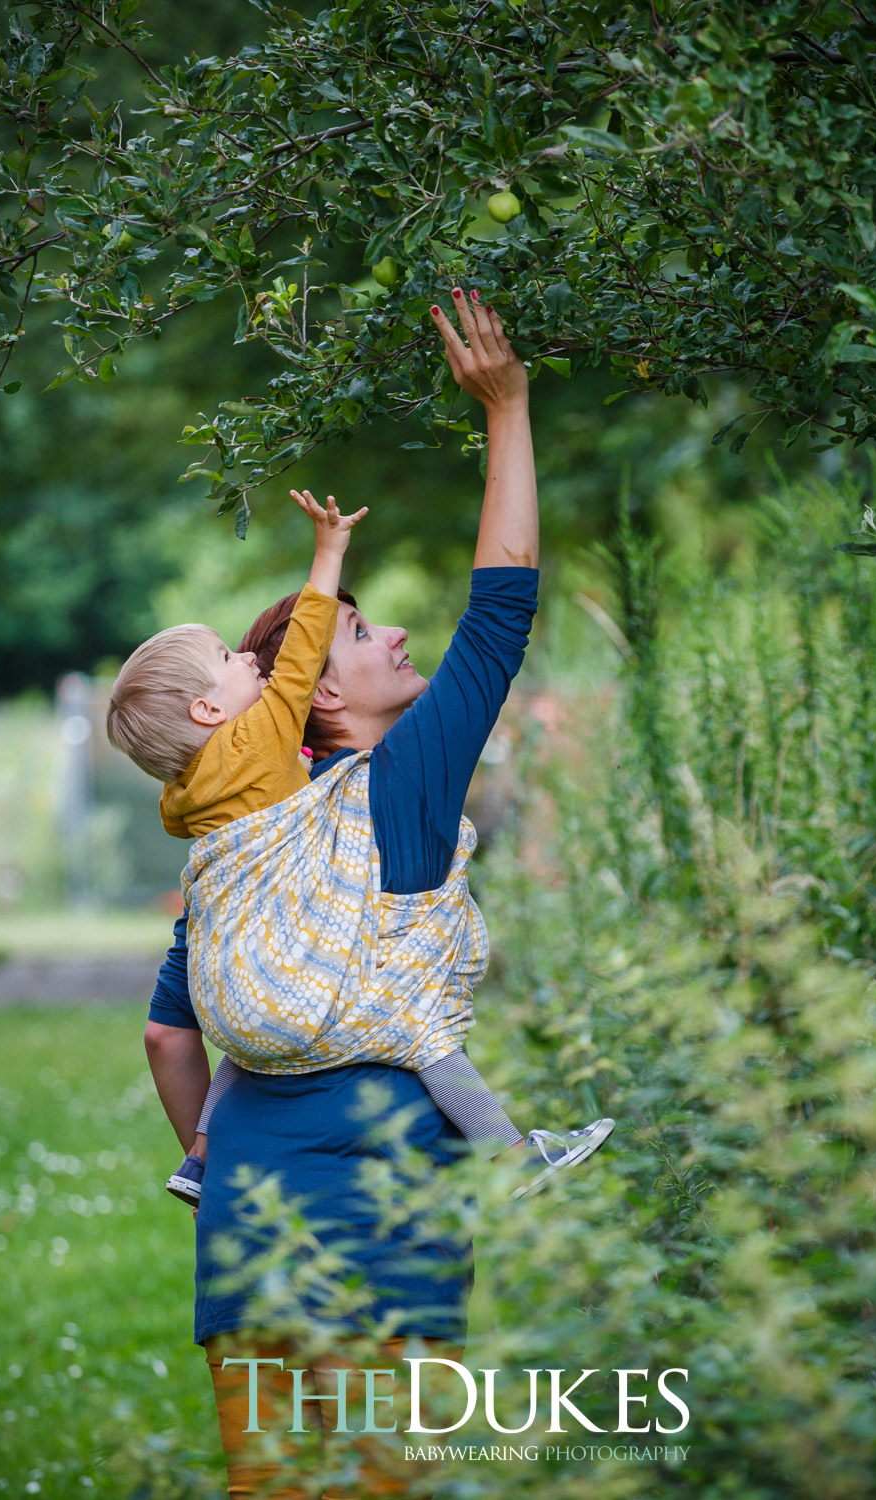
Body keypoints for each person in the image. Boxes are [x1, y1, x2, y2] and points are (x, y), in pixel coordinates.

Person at [143, 289, 614, 1496]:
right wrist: (506, 410)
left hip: (246, 1207)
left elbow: (166, 1034)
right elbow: (503, 604)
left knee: (266, 1479)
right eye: (358, 634)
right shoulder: (394, 793)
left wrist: (211, 1157)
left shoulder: (230, 854)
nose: (394, 635)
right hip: (384, 1204)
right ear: (320, 705)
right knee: (384, 1478)